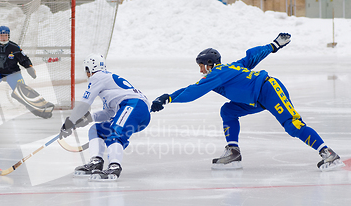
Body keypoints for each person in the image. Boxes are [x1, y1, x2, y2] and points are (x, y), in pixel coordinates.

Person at [151, 33, 344, 171]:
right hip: (255, 99)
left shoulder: (217, 73)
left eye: (202, 66)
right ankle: (233, 151)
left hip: (269, 90)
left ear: (210, 64)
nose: (201, 70)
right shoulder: (229, 68)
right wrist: (273, 46)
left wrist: (168, 98)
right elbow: (251, 57)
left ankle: (327, 152)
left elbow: (193, 92)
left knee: (292, 126)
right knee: (228, 111)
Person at [60, 54, 151, 181]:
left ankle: (114, 166)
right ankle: (96, 161)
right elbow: (108, 113)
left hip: (134, 106)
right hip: (135, 110)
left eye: (86, 70)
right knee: (97, 129)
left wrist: (71, 121)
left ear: (90, 68)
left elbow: (85, 103)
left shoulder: (98, 77)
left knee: (115, 132)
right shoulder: (108, 83)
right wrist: (86, 120)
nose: (86, 74)